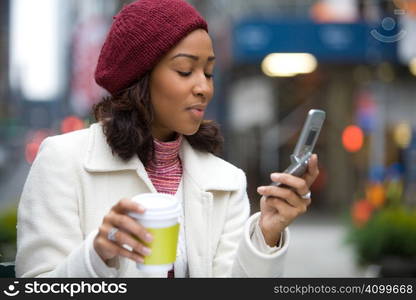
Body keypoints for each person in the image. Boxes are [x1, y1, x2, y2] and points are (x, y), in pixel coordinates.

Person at [15, 0, 319, 278]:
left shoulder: (226, 181)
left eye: (209, 72)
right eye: (185, 70)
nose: (204, 88)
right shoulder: (63, 161)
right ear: (139, 78)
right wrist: (97, 255)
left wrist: (267, 233)